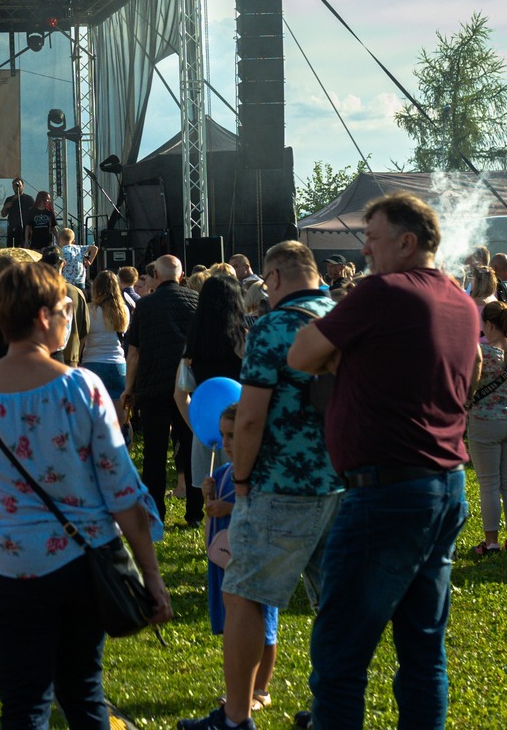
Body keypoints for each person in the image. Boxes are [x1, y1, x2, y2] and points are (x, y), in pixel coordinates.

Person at [0, 260, 171, 728]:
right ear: (44, 317)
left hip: (11, 566)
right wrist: (152, 576)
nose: (71, 316)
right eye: (66, 308)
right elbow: (122, 490)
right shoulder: (81, 387)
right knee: (84, 696)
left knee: (23, 706)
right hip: (85, 563)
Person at [286, 194, 478, 730]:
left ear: (407, 242)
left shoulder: (383, 292)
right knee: (422, 649)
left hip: (385, 491)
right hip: (445, 483)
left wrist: (342, 353)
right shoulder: (461, 302)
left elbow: (301, 355)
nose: (364, 248)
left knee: (340, 651)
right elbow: (474, 367)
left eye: (372, 237)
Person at [186, 240, 340, 730]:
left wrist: (243, 482)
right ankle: (331, 707)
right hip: (341, 479)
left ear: (272, 279)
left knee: (245, 595)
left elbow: (249, 418)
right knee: (332, 603)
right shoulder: (342, 316)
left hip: (281, 481)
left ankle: (236, 717)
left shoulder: (274, 326)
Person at [196, 406, 278, 725]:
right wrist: (209, 499)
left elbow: (258, 507)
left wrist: (227, 504)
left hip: (251, 558)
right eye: (224, 435)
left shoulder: (258, 472)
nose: (228, 442)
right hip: (224, 558)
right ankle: (240, 689)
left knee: (263, 625)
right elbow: (211, 519)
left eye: (234, 434)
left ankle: (260, 690)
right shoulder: (221, 473)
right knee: (234, 623)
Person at [125, 254, 200, 527]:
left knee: (154, 454)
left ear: (155, 275)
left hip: (152, 387)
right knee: (191, 448)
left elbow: (133, 354)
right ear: (181, 275)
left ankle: (155, 512)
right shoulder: (195, 300)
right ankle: (195, 512)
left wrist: (129, 389)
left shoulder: (144, 306)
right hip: (187, 386)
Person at [465, 300, 507, 557]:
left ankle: (491, 541)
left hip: (484, 420)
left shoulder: (482, 351)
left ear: (490, 324)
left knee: (488, 483)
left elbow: (468, 379)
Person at [182, 274, 247, 515]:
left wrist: (198, 426)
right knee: (238, 495)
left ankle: (212, 547)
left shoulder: (193, 341)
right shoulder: (245, 340)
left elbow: (180, 394)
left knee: (209, 495)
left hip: (205, 431)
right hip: (240, 428)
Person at [79, 267, 130, 400]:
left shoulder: (89, 310)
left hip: (91, 362)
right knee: (118, 415)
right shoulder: (123, 310)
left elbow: (83, 338)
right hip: (117, 363)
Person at [2, 177, 31, 249]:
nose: (17, 187)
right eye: (15, 186)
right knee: (11, 248)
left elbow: (33, 213)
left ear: (23, 186)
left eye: (19, 185)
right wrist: (5, 207)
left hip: (25, 228)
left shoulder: (28, 199)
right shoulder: (9, 199)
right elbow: (3, 214)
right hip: (12, 228)